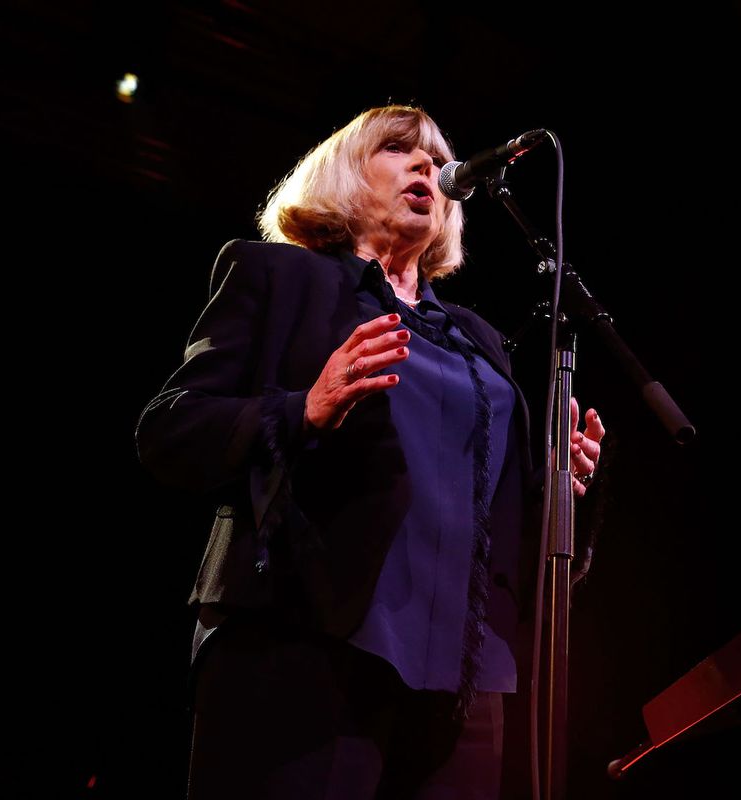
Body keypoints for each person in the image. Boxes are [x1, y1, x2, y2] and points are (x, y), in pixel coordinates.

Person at [136, 105, 604, 799]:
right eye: (397, 149)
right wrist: (307, 406)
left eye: (435, 154)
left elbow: (496, 529)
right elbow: (168, 430)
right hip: (307, 645)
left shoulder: (476, 340)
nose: (425, 164)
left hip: (463, 679)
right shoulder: (276, 277)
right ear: (344, 175)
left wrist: (559, 493)